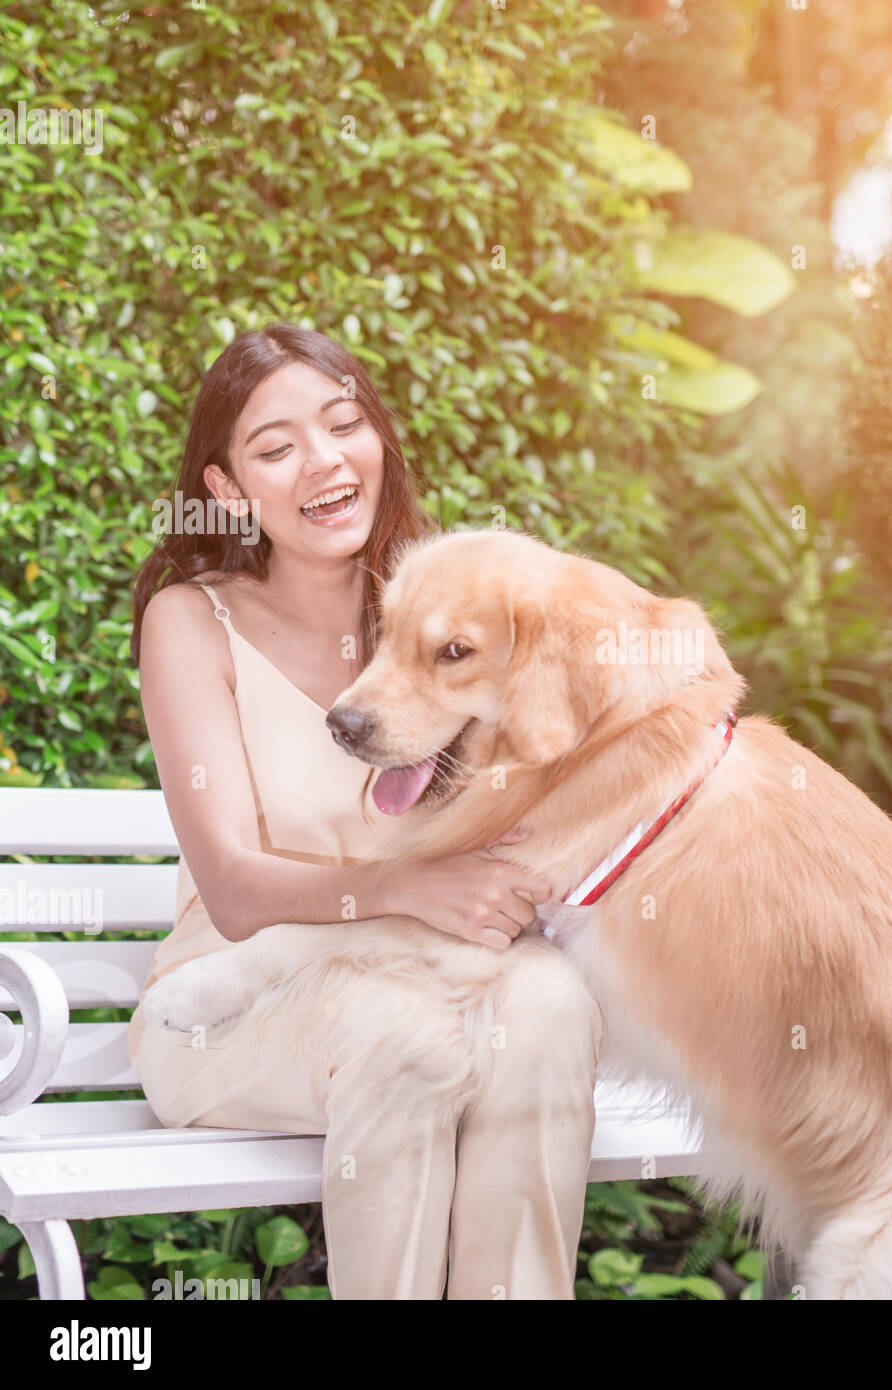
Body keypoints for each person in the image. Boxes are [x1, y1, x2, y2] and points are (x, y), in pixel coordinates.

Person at [126, 323, 605, 1299]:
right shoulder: (191, 620)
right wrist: (404, 884)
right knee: (409, 1034)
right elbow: (231, 882)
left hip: (428, 974)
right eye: (275, 446)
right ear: (226, 488)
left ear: (377, 441)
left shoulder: (437, 617)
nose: (323, 459)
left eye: (344, 424)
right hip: (234, 1005)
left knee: (552, 1000)